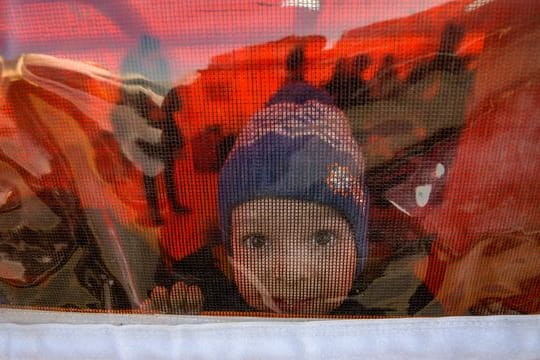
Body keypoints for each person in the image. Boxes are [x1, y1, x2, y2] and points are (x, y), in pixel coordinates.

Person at [141, 85, 375, 315]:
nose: (291, 274)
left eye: (324, 238)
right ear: (230, 250)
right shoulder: (212, 307)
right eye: (257, 241)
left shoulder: (378, 333)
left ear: (358, 249)